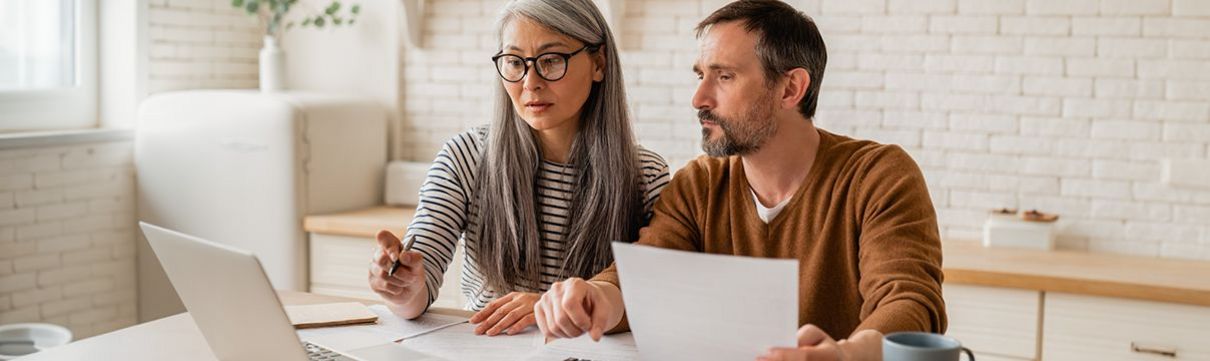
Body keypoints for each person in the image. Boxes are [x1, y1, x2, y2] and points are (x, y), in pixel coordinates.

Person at [532, 1, 946, 360]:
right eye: (700, 76)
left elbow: (910, 304)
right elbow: (646, 275)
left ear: (790, 88)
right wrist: (594, 297)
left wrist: (844, 354)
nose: (700, 99)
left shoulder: (878, 176)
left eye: (724, 77)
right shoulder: (699, 184)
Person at [366, 0, 670, 338]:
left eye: (552, 60)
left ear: (599, 63)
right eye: (514, 62)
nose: (530, 83)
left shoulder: (647, 174)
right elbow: (417, 293)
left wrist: (548, 309)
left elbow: (654, 296)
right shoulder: (465, 156)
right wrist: (402, 287)